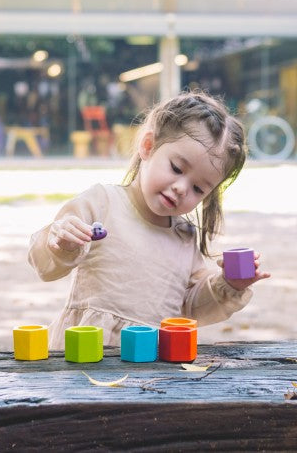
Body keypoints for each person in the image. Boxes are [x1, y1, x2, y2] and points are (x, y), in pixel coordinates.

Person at [28, 89, 270, 349]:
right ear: (148, 146)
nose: (181, 188)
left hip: (151, 368)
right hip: (85, 357)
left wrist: (229, 285)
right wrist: (61, 241)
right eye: (176, 168)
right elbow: (44, 264)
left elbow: (191, 307)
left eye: (198, 189)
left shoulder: (184, 237)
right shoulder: (101, 203)